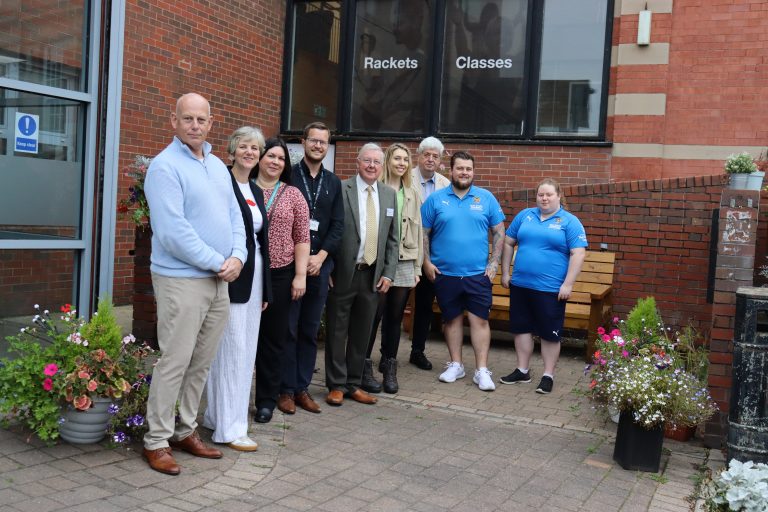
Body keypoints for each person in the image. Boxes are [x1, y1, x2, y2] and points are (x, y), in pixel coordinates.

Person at [142, 93, 246, 475]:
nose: (195, 126)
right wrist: (218, 261)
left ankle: (185, 430)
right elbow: (172, 232)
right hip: (181, 280)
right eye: (187, 119)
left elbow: (236, 216)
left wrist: (238, 257)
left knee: (201, 362)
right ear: (174, 121)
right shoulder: (164, 167)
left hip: (219, 280)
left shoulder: (218, 166)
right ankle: (155, 440)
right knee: (174, 361)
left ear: (211, 123)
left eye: (201, 120)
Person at [203, 126, 272, 452]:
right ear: (231, 151)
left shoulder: (255, 189)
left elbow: (262, 242)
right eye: (244, 147)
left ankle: (216, 416)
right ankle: (230, 428)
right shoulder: (223, 184)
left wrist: (267, 291)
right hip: (232, 277)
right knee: (232, 350)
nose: (250, 152)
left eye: (255, 149)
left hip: (255, 280)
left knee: (244, 350)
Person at [421, 150, 505, 392]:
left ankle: (481, 370)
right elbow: (423, 233)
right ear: (451, 170)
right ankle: (456, 365)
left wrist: (494, 263)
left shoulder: (486, 198)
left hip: (477, 274)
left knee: (479, 320)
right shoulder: (436, 200)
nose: (464, 172)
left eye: (468, 169)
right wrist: (426, 261)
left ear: (473, 172)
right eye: (460, 168)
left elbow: (499, 231)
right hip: (445, 273)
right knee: (452, 319)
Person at [324, 143, 398, 407]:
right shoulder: (340, 189)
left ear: (382, 166)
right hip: (343, 272)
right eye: (367, 161)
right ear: (357, 162)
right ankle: (336, 384)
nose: (371, 166)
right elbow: (329, 230)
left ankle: (353, 383)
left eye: (376, 162)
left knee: (362, 332)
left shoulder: (389, 195)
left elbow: (392, 239)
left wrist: (388, 273)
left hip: (372, 275)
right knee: (336, 330)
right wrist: (327, 267)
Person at [499, 178, 587, 394]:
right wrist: (505, 272)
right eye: (540, 194)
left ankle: (548, 375)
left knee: (550, 333)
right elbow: (509, 242)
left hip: (550, 289)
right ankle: (522, 370)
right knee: (521, 329)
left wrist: (568, 284)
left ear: (559, 196)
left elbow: (578, 253)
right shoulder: (524, 216)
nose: (544, 198)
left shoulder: (569, 221)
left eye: (549, 194)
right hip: (521, 285)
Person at [279, 122, 343, 415]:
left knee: (308, 330)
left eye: (323, 142)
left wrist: (321, 257)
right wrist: (303, 261)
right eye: (313, 140)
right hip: (291, 266)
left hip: (320, 267)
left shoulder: (333, 182)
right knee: (287, 329)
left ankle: (302, 388)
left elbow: (338, 226)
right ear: (303, 142)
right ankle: (285, 389)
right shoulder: (288, 175)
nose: (318, 146)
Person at [252, 138, 310, 423]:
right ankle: (233, 400)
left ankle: (265, 400)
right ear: (259, 158)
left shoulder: (293, 195)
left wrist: (300, 275)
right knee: (240, 339)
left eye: (281, 158)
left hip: (280, 274)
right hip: (246, 274)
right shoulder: (242, 189)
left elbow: (302, 238)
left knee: (273, 341)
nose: (275, 162)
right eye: (270, 156)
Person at [363, 143, 423, 394]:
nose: (401, 163)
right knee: (374, 312)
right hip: (379, 259)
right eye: (397, 158)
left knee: (395, 316)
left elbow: (419, 230)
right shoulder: (377, 188)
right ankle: (364, 363)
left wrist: (418, 266)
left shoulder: (411, 192)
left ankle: (389, 364)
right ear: (387, 160)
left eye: (405, 160)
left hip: (405, 258)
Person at [409, 137, 450, 371]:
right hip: (405, 249)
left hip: (432, 253)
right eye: (427, 155)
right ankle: (386, 353)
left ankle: (418, 351)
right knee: (395, 304)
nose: (431, 159)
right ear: (419, 155)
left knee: (425, 304)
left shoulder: (445, 184)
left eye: (435, 156)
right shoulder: (406, 178)